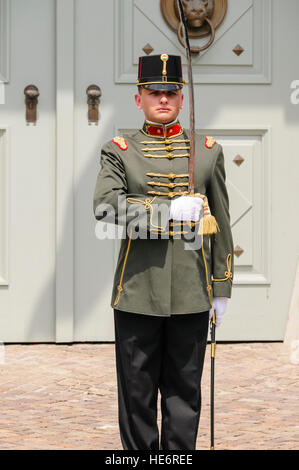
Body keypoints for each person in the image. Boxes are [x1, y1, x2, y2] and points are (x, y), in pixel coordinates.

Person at [93, 54, 234, 450]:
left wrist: (221, 287)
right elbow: (105, 206)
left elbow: (221, 221)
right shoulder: (119, 150)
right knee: (137, 395)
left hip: (192, 291)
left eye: (171, 92)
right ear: (139, 98)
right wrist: (166, 211)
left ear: (182, 98)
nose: (163, 99)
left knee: (184, 394)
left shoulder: (206, 150)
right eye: (154, 91)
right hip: (138, 291)